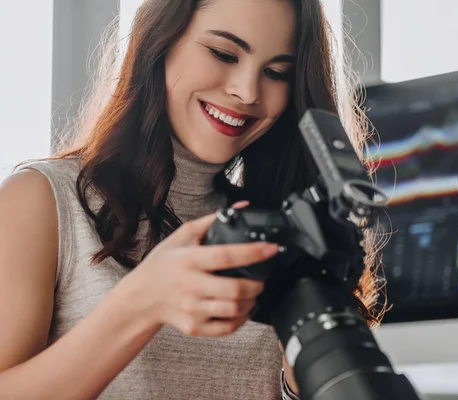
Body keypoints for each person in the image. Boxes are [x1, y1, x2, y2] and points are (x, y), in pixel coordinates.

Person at [0, 0, 385, 399]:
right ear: (160, 41)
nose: (246, 91)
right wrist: (140, 305)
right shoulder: (42, 202)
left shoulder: (283, 233)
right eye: (223, 53)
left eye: (275, 73)